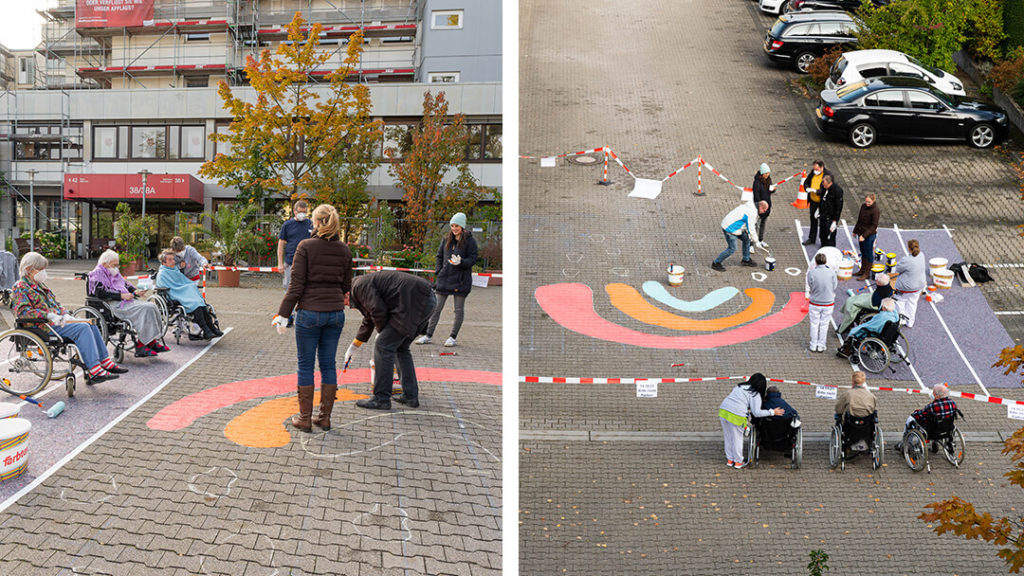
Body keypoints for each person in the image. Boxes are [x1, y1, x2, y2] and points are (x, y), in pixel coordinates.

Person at [273, 204, 353, 433]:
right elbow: (346, 285)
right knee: (328, 364)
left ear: (316, 222)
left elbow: (295, 287)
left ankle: (304, 418)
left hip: (309, 313)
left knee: (306, 365)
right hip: (335, 314)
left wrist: (283, 315)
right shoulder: (345, 250)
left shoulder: (305, 246)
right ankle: (324, 417)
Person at [12, 252, 127, 383]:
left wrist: (65, 314)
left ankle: (105, 361)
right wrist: (49, 315)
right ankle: (94, 370)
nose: (44, 272)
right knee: (83, 328)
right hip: (42, 326)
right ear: (29, 269)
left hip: (55, 322)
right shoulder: (20, 287)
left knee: (91, 323)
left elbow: (55, 305)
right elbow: (23, 311)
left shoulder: (40, 285)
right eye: (41, 269)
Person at [345, 271, 436, 410]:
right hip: (424, 299)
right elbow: (369, 317)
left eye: (344, 303)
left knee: (383, 346)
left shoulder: (358, 286)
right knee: (401, 348)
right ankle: (410, 396)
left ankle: (381, 399)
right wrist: (355, 345)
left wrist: (382, 333)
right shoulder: (360, 285)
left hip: (415, 301)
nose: (347, 306)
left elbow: (377, 310)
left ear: (346, 294)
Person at [87, 250, 170, 358]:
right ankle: (141, 346)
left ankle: (151, 341)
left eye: (117, 264)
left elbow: (125, 284)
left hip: (125, 301)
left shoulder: (113, 272)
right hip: (114, 304)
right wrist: (121, 296)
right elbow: (100, 292)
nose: (117, 267)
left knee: (152, 306)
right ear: (105, 264)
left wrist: (135, 291)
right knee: (145, 309)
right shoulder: (97, 273)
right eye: (114, 265)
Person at [416, 212, 479, 348]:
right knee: (435, 308)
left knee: (458, 310)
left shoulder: (470, 241)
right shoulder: (446, 239)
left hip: (460, 281)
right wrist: (439, 271)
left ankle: (452, 337)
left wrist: (461, 262)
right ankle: (428, 335)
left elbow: (473, 259)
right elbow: (439, 256)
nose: (454, 228)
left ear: (462, 226)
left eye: (457, 226)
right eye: (452, 226)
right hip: (444, 279)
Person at [718, 373, 784, 469]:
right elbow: (757, 412)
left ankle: (730, 460)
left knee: (728, 437)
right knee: (737, 439)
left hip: (723, 411)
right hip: (737, 415)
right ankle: (738, 462)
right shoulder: (755, 394)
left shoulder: (739, 387)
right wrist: (772, 412)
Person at [156, 250, 223, 340]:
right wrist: (184, 288)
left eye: (173, 259)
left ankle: (211, 327)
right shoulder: (162, 274)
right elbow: (167, 287)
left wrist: (189, 286)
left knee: (200, 302)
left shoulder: (174, 270)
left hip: (183, 292)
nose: (173, 261)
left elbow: (183, 281)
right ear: (164, 262)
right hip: (175, 294)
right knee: (194, 303)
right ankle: (206, 330)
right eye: (170, 260)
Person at [894, 384, 958, 452]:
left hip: (931, 431)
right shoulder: (952, 403)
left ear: (937, 395)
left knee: (911, 419)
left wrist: (915, 412)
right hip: (946, 429)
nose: (932, 393)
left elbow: (920, 415)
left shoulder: (932, 406)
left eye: (933, 392)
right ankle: (935, 442)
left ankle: (905, 444)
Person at [711, 200, 767, 272]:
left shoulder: (751, 207)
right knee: (732, 249)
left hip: (735, 227)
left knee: (747, 239)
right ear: (760, 207)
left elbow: (747, 225)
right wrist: (757, 241)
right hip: (730, 229)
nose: (764, 212)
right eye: (764, 210)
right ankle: (716, 263)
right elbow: (751, 229)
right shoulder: (752, 213)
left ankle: (746, 260)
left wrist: (751, 238)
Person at [277, 199, 313, 291]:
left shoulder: (311, 224)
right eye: (300, 212)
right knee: (289, 288)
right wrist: (280, 263)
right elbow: (281, 245)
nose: (302, 214)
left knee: (306, 288)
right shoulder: (287, 225)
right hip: (290, 262)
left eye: (304, 212)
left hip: (307, 262)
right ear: (294, 211)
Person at [890, 238, 926, 328]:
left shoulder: (906, 259)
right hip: (919, 286)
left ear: (909, 248)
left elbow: (896, 269)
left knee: (900, 302)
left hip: (905, 287)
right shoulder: (922, 255)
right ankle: (910, 322)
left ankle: (901, 320)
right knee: (912, 303)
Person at [806, 252, 837, 353]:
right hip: (828, 303)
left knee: (814, 324)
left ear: (816, 262)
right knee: (824, 324)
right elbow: (834, 286)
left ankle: (813, 344)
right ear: (825, 261)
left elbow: (810, 285)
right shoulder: (831, 272)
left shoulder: (811, 273)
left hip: (815, 302)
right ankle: (821, 345)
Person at [802, 160, 832, 246]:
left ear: (822, 167)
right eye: (814, 169)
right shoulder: (813, 173)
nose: (815, 171)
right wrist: (807, 188)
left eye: (817, 169)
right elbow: (806, 182)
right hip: (813, 202)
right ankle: (812, 238)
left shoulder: (828, 176)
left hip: (822, 204)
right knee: (813, 220)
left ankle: (823, 242)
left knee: (823, 223)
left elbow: (827, 189)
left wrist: (816, 191)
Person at [852, 194, 880, 280]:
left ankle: (867, 273)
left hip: (869, 235)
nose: (867, 203)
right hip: (861, 233)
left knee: (868, 254)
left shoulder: (875, 211)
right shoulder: (863, 206)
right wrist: (855, 230)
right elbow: (859, 220)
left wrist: (864, 236)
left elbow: (874, 226)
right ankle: (862, 270)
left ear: (873, 201)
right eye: (866, 201)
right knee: (863, 251)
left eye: (869, 202)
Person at [752, 163, 776, 245]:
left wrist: (773, 190)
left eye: (768, 173)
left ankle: (760, 240)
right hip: (759, 207)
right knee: (754, 225)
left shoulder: (768, 180)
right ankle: (751, 243)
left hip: (767, 205)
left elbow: (769, 190)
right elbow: (756, 196)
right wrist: (760, 205)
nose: (768, 175)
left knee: (763, 223)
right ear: (762, 173)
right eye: (766, 173)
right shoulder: (757, 183)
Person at [817, 174, 844, 248]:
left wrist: (835, 221)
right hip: (823, 214)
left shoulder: (837, 191)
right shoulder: (824, 187)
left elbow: (838, 207)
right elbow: (822, 199)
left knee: (830, 236)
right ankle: (823, 246)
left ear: (830, 183)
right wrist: (819, 209)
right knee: (822, 233)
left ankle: (830, 249)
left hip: (831, 217)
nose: (824, 187)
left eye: (826, 185)